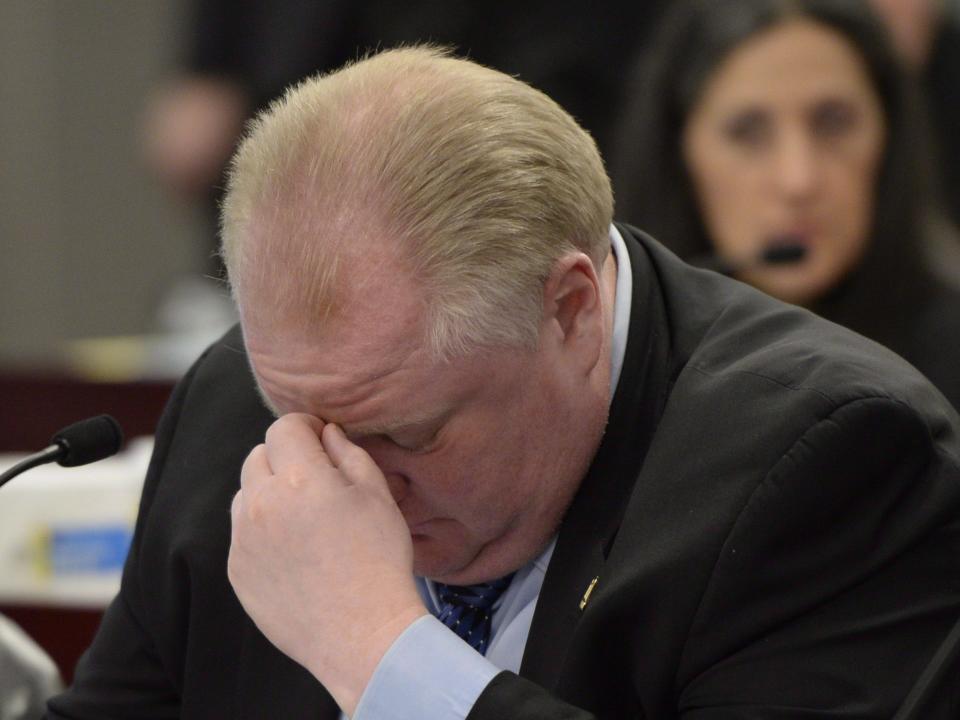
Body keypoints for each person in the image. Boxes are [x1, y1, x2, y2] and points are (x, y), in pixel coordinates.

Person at [48, 46, 960, 719]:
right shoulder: (237, 406)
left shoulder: (833, 457)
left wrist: (378, 650)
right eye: (305, 417)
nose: (347, 486)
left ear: (569, 309)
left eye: (408, 435)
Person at [612, 0, 960, 410]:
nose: (799, 180)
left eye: (833, 122)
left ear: (890, 133)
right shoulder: (619, 366)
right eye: (748, 131)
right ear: (677, 152)